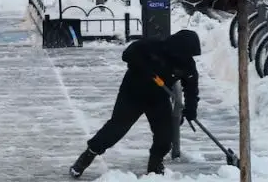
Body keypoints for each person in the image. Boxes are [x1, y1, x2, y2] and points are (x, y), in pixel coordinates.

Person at [70, 30, 201, 178]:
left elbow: (191, 87)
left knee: (165, 136)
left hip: (158, 98)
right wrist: (144, 67)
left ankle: (155, 165)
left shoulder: (186, 63)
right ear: (178, 47)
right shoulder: (152, 45)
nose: (188, 57)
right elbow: (127, 54)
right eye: (186, 53)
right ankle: (87, 156)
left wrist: (191, 109)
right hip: (132, 94)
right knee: (116, 129)